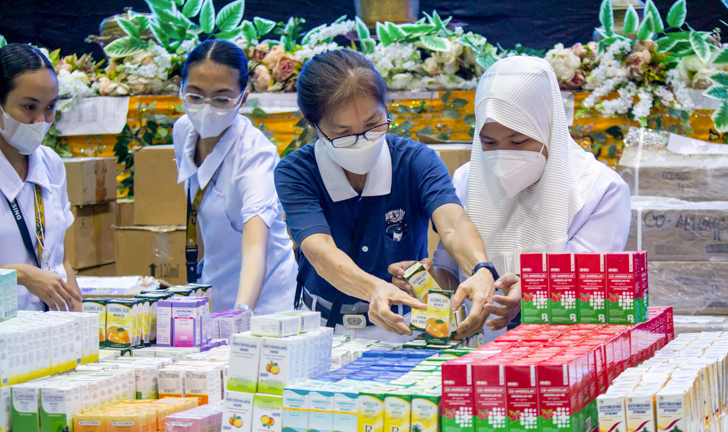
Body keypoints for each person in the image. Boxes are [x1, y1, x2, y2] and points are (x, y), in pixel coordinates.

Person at [274, 49, 498, 343]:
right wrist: (374, 288)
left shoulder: (415, 160)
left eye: (373, 125)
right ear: (312, 124)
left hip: (406, 325)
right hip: (323, 327)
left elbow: (453, 224)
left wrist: (481, 269)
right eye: (343, 134)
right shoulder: (297, 171)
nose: (363, 142)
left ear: (386, 108)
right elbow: (321, 253)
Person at [425, 56, 631, 335]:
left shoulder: (598, 189)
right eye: (489, 142)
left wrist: (534, 289)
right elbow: (451, 271)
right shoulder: (466, 180)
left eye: (518, 141)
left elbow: (591, 280)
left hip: (565, 347)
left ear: (548, 126)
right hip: (479, 352)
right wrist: (428, 279)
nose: (503, 153)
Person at [174, 40, 297, 313]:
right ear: (180, 89)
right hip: (215, 291)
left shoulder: (256, 156)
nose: (205, 108)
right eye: (195, 96)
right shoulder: (183, 130)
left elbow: (255, 249)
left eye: (221, 99)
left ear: (242, 98)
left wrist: (240, 314)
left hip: (267, 304)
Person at [0, 44, 82, 312]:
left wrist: (77, 323)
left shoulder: (51, 163)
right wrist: (21, 275)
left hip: (48, 336)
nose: (40, 121)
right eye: (28, 106)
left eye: (50, 107)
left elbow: (59, 258)